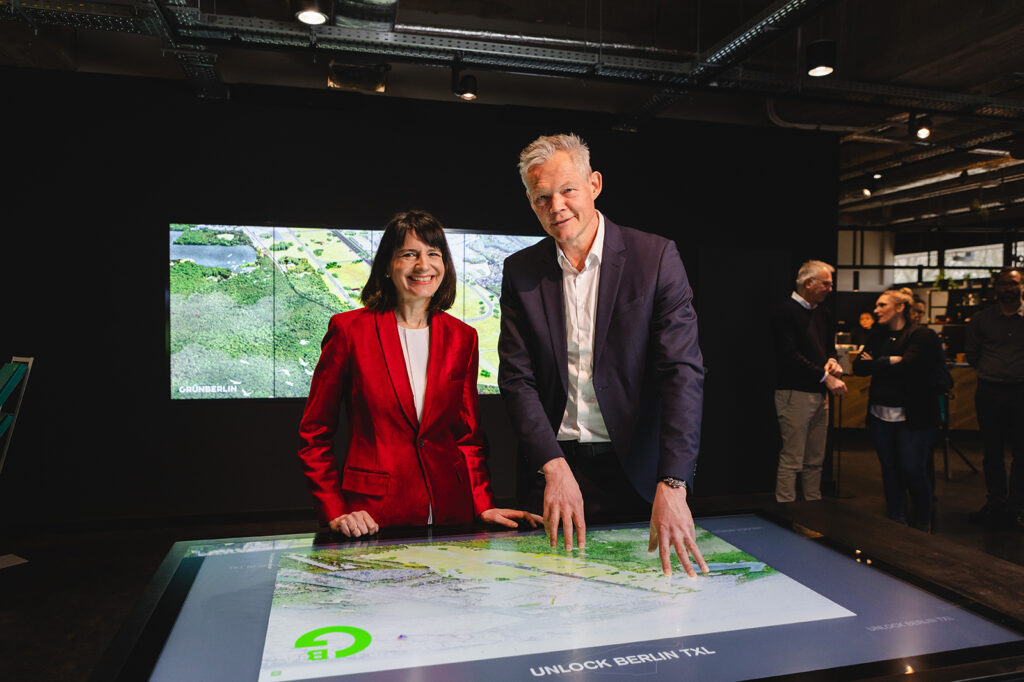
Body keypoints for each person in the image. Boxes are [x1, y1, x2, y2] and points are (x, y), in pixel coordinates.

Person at [498, 133, 708, 577]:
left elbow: (682, 375)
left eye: (567, 190)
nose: (556, 207)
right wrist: (553, 466)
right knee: (553, 602)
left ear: (594, 184)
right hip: (553, 472)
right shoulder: (520, 271)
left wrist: (673, 484)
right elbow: (517, 379)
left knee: (649, 601)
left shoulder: (654, 257)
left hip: (640, 474)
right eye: (542, 198)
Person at [298, 210, 541, 537]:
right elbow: (314, 433)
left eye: (433, 254)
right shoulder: (349, 331)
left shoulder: (462, 338)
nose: (423, 265)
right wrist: (335, 510)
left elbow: (467, 437)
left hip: (452, 513)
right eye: (409, 254)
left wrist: (483, 503)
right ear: (387, 264)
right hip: (371, 517)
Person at [854, 288, 943, 530]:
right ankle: (896, 520)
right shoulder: (877, 335)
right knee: (890, 470)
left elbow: (911, 366)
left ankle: (923, 521)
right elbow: (859, 367)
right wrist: (893, 361)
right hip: (881, 415)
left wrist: (879, 363)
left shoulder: (922, 335)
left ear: (899, 308)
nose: (876, 310)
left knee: (913, 469)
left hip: (913, 416)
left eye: (882, 305)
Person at [771, 261, 847, 503]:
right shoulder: (786, 312)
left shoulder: (822, 313)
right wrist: (827, 377)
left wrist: (833, 362)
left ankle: (813, 511)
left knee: (815, 459)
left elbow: (828, 349)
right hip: (795, 393)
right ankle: (787, 512)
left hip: (818, 393)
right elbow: (789, 355)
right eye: (826, 283)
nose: (830, 288)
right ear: (808, 283)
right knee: (793, 458)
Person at [965, 267, 1024, 530]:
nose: (1008, 288)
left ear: (1022, 286)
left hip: (1021, 392)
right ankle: (996, 503)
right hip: (990, 391)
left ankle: (1018, 507)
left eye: (1013, 284)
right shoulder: (982, 319)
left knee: (1022, 453)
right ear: (996, 287)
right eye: (1003, 284)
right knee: (992, 451)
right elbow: (972, 355)